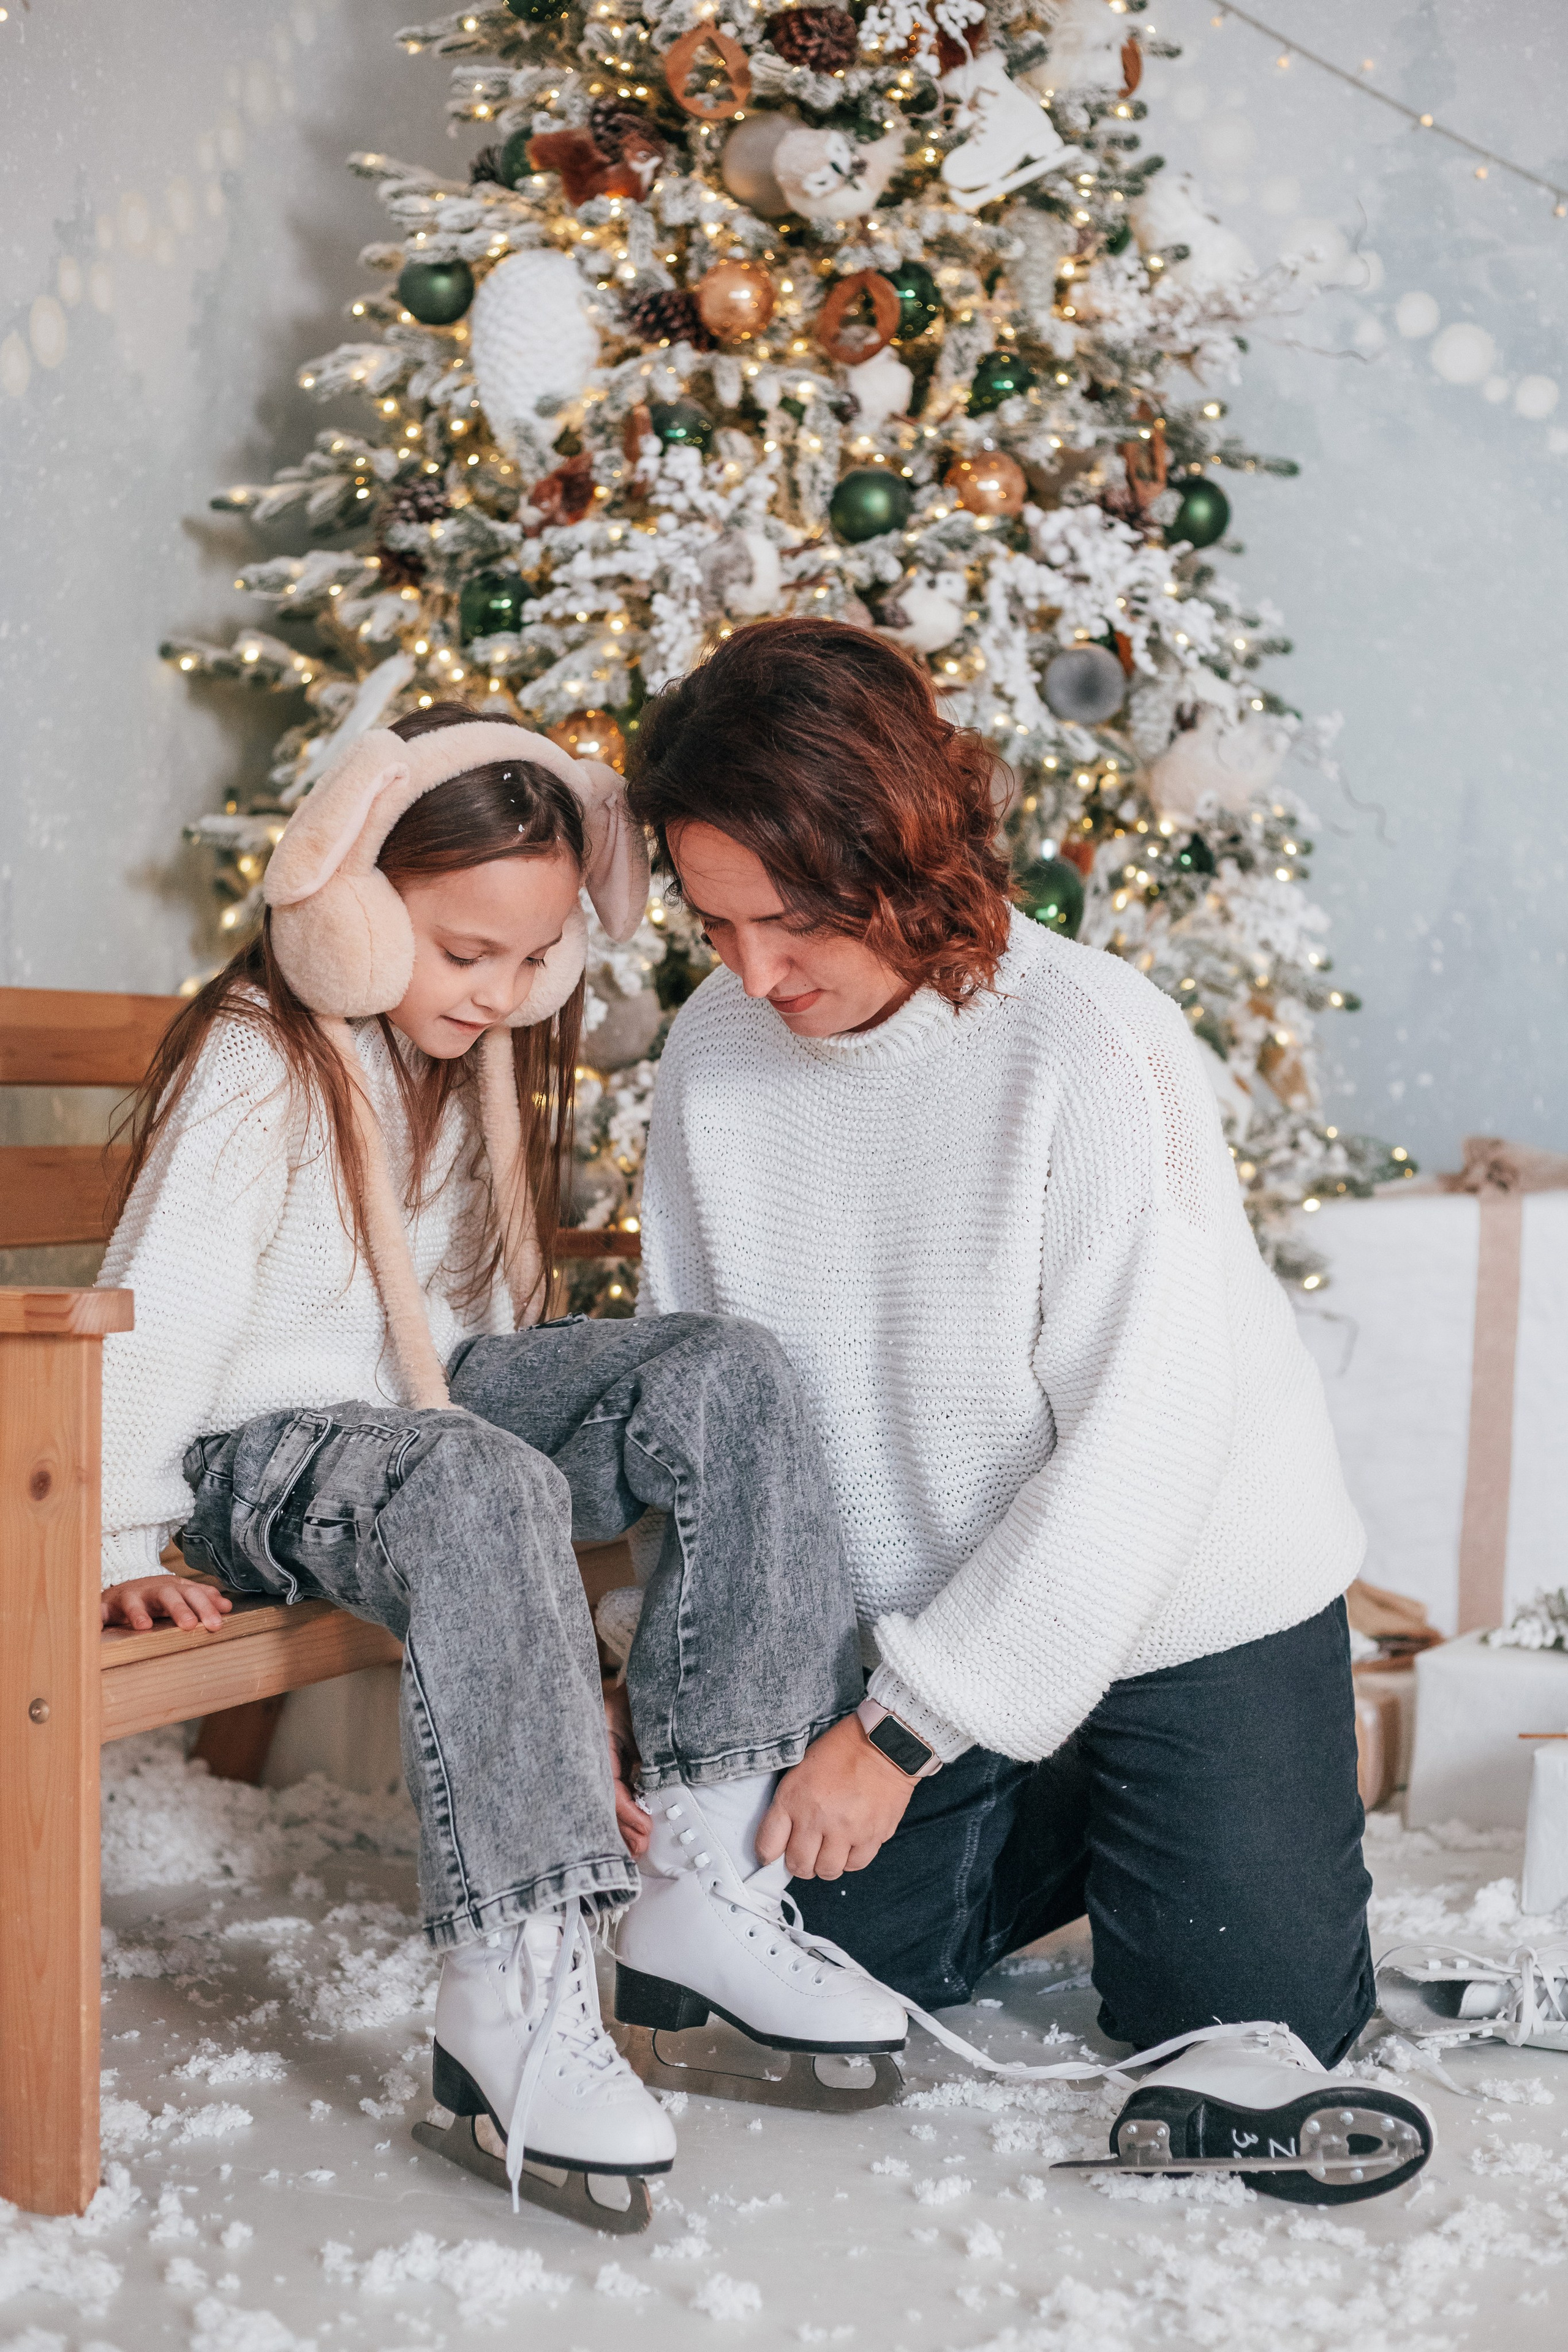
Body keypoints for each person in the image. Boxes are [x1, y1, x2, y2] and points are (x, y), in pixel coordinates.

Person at [96, 701, 903, 2219]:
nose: (501, 992)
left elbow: (466, 1342)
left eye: (534, 962)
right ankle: (510, 1999)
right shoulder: (264, 1058)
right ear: (345, 911)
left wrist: (575, 1647)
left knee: (721, 1370)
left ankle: (706, 1888)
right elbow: (164, 1301)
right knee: (482, 1482)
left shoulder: (458, 1072)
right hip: (257, 1459)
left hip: (429, 1418)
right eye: (465, 955)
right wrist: (115, 1536)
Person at [622, 617, 1376, 2068]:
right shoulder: (710, 1055)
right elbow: (694, 1410)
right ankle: (1065, 1789)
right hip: (920, 1615)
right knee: (775, 1986)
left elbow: (1142, 1447)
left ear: (901, 861)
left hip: (1182, 1597)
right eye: (714, 923)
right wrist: (678, 1710)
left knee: (1246, 2035)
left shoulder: (1092, 1043)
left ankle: (1197, 1795)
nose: (754, 970)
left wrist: (897, 1738)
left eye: (794, 922)